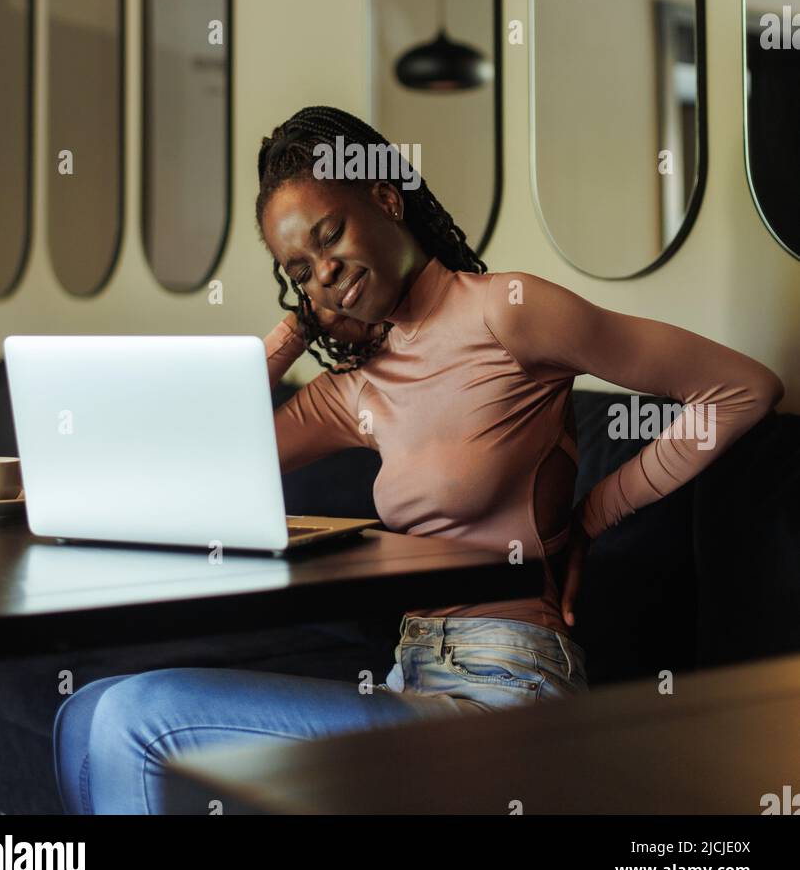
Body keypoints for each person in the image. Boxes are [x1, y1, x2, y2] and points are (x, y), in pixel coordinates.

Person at [53, 105, 784, 814]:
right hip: (411, 677)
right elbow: (193, 460)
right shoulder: (359, 388)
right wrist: (295, 331)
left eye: (329, 234)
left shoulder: (508, 310)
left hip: (510, 689)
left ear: (384, 197)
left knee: (136, 716)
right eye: (299, 268)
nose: (325, 272)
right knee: (85, 714)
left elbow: (740, 388)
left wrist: (593, 516)